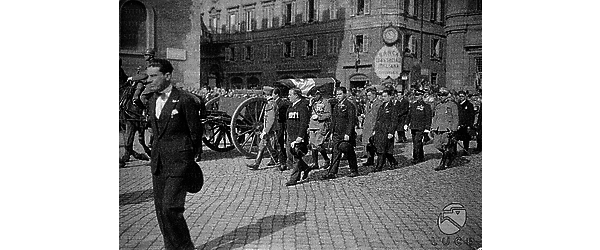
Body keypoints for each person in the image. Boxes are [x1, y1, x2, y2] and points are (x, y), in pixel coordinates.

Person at [145, 58, 201, 250]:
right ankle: (171, 247)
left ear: (167, 76)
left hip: (179, 163)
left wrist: (188, 159)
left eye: (154, 76)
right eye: (148, 76)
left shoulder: (184, 100)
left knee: (171, 207)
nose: (149, 80)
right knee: (161, 211)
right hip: (159, 163)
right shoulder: (152, 100)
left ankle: (186, 248)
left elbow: (195, 133)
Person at [323, 87, 359, 179]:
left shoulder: (349, 106)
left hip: (345, 134)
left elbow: (351, 121)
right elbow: (333, 120)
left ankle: (354, 170)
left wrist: (348, 133)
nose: (338, 96)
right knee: (335, 152)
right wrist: (331, 132)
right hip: (336, 133)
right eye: (336, 94)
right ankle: (332, 172)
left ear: (345, 94)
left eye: (340, 94)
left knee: (348, 150)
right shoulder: (336, 106)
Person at [246, 86, 280, 170]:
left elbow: (271, 119)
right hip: (269, 130)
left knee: (271, 147)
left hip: (271, 130)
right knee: (262, 146)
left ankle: (280, 161)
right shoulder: (271, 103)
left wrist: (265, 131)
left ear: (265, 94)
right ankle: (256, 163)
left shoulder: (270, 104)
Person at [284, 88, 311, 186]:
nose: (288, 96)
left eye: (290, 94)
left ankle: (294, 178)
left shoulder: (302, 107)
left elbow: (303, 123)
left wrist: (300, 137)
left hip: (298, 137)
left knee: (296, 157)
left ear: (296, 95)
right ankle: (306, 168)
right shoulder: (291, 107)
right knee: (290, 156)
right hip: (290, 136)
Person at [431, 87, 460, 171]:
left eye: (443, 96)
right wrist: (432, 127)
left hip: (447, 128)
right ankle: (450, 154)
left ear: (447, 96)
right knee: (437, 145)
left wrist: (453, 129)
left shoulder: (452, 105)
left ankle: (442, 164)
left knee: (446, 146)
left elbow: (455, 117)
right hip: (438, 128)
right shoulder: (438, 105)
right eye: (440, 96)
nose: (441, 97)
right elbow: (435, 117)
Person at [372, 88, 400, 172]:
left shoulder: (393, 108)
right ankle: (393, 162)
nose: (383, 98)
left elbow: (394, 121)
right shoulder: (381, 106)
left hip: (387, 131)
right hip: (379, 130)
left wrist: (391, 132)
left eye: (385, 96)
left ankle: (379, 166)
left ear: (390, 97)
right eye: (382, 96)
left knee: (384, 149)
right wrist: (375, 130)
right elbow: (378, 119)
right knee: (380, 148)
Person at [405, 89, 433, 164]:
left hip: (421, 127)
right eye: (416, 95)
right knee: (416, 142)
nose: (417, 97)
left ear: (422, 96)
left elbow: (428, 118)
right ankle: (421, 156)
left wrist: (427, 128)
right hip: (413, 126)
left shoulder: (426, 106)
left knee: (417, 142)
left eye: (419, 95)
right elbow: (409, 115)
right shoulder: (413, 105)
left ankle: (416, 157)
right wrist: (406, 124)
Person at [307, 89, 332, 170]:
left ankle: (326, 159)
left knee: (318, 145)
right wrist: (310, 105)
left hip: (320, 125)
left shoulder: (325, 102)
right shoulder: (312, 102)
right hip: (312, 125)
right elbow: (307, 114)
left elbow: (328, 114)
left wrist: (319, 117)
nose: (314, 97)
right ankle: (315, 163)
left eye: (315, 95)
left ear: (319, 94)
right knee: (313, 145)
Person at [360, 88, 383, 167]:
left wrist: (377, 128)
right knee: (368, 144)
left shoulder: (379, 104)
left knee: (376, 145)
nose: (368, 97)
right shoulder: (368, 103)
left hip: (374, 126)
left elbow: (379, 117)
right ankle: (370, 160)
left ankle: (381, 161)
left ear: (374, 95)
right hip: (367, 126)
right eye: (367, 95)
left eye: (369, 95)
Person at [274, 89, 290, 171]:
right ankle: (276, 158)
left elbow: (282, 116)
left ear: (276, 94)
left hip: (281, 124)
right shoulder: (274, 102)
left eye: (273, 94)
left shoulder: (281, 103)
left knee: (279, 142)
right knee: (276, 142)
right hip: (276, 125)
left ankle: (283, 161)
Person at [456, 90, 476, 156]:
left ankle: (465, 150)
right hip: (458, 124)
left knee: (466, 139)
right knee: (455, 138)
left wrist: (470, 125)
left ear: (465, 96)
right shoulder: (457, 105)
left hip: (466, 124)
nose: (461, 97)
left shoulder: (469, 105)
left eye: (462, 96)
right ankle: (454, 152)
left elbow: (471, 115)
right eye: (460, 96)